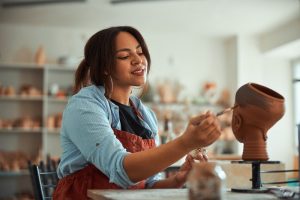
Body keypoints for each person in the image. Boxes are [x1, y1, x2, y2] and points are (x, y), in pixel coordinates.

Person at [53, 26, 221, 199]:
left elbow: (147, 185)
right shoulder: (84, 106)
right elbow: (121, 170)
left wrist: (178, 178)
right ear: (104, 67)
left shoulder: (145, 115)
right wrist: (186, 143)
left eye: (140, 53)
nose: (138, 60)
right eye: (125, 56)